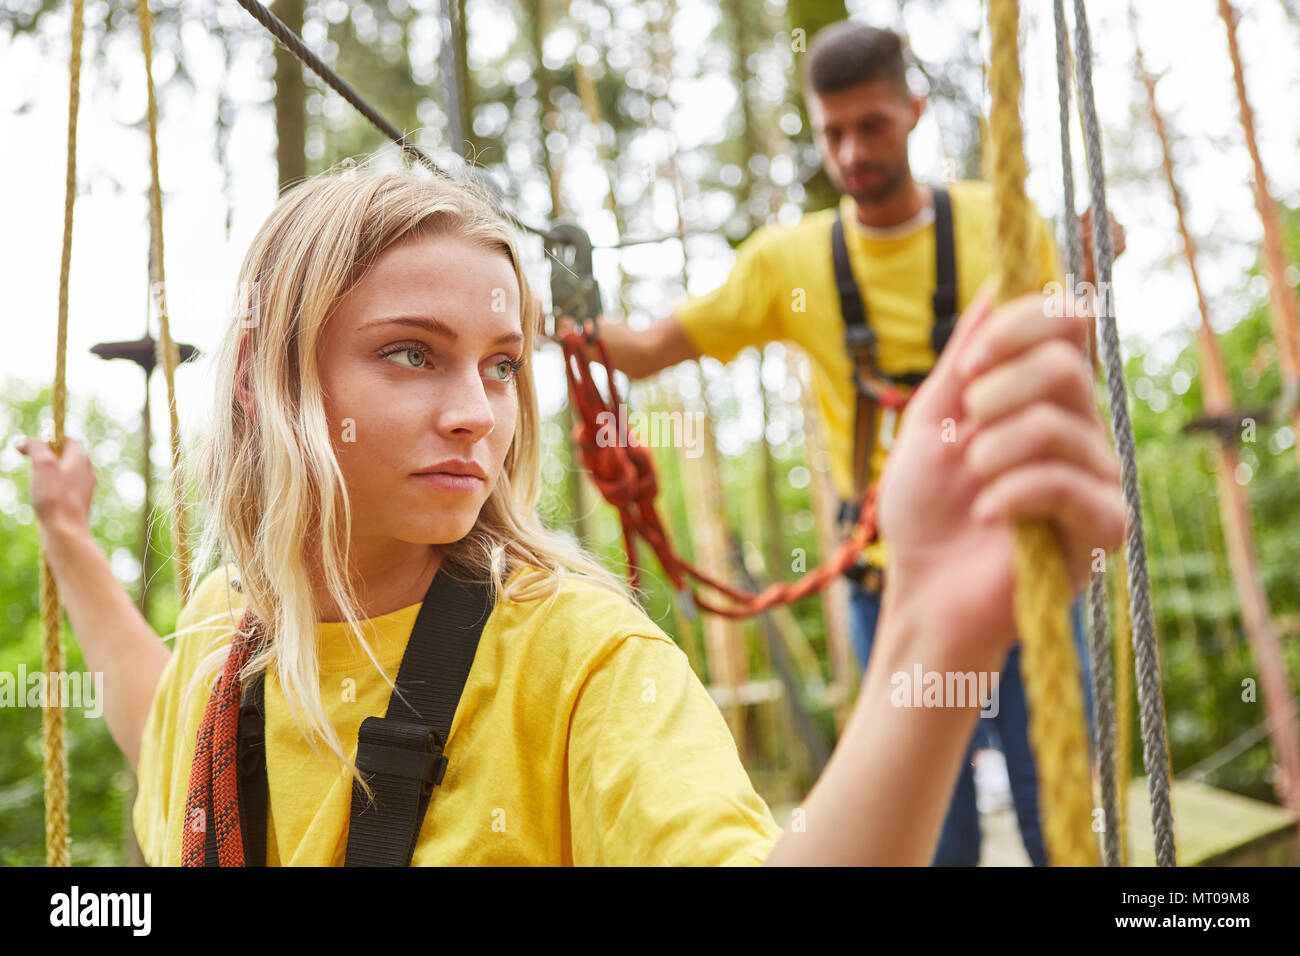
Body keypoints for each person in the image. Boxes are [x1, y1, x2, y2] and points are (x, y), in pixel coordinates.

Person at [17, 155, 1124, 866]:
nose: (474, 415)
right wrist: (67, 532)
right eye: (412, 353)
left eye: (500, 365)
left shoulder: (574, 651)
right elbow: (154, 710)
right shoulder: (232, 631)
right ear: (264, 374)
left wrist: (933, 625)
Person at [572, 21, 1122, 865]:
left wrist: (1086, 268)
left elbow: (1058, 353)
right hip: (886, 575)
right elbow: (645, 351)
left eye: (871, 126)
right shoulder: (788, 262)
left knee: (1059, 809)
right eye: (832, 131)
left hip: (1021, 553)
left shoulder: (999, 226)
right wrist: (550, 315)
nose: (850, 151)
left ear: (913, 111)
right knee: (937, 832)